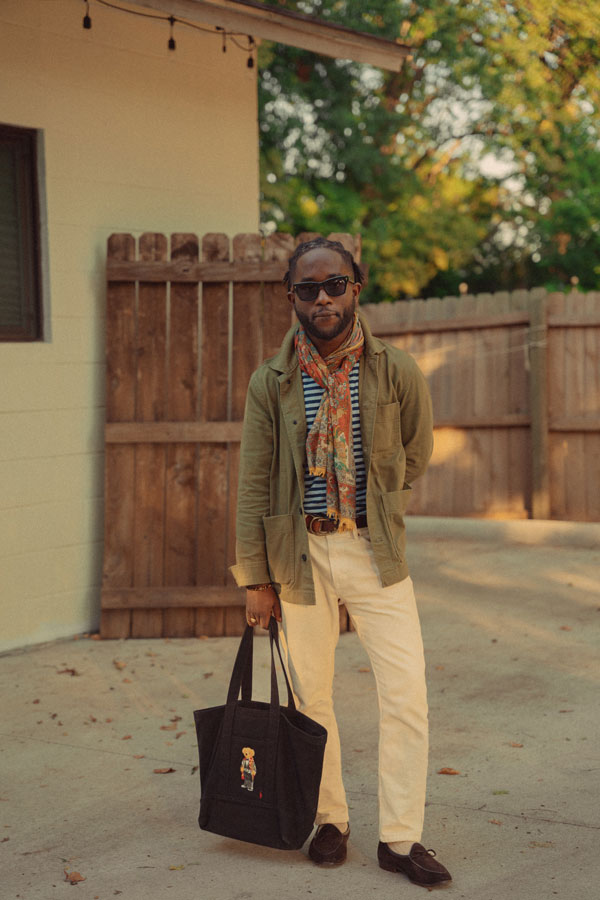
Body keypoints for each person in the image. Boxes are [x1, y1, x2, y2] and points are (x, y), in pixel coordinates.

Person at [230, 238, 451, 888]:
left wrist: (379, 501)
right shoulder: (271, 380)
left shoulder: (395, 370)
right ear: (290, 296)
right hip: (299, 555)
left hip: (373, 549)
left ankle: (400, 839)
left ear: (357, 286)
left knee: (406, 692)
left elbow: (417, 448)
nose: (323, 299)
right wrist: (254, 577)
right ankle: (331, 819)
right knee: (311, 694)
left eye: (335, 285)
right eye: (309, 289)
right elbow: (254, 481)